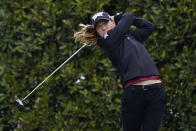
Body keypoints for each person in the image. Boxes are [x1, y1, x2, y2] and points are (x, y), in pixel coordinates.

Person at [74, 11, 166, 131]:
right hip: (134, 94)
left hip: (156, 91)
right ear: (97, 32)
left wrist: (117, 19)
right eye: (99, 26)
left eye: (105, 22)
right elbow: (129, 16)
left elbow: (149, 26)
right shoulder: (108, 42)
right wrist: (117, 17)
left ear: (113, 23)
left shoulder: (131, 37)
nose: (103, 27)